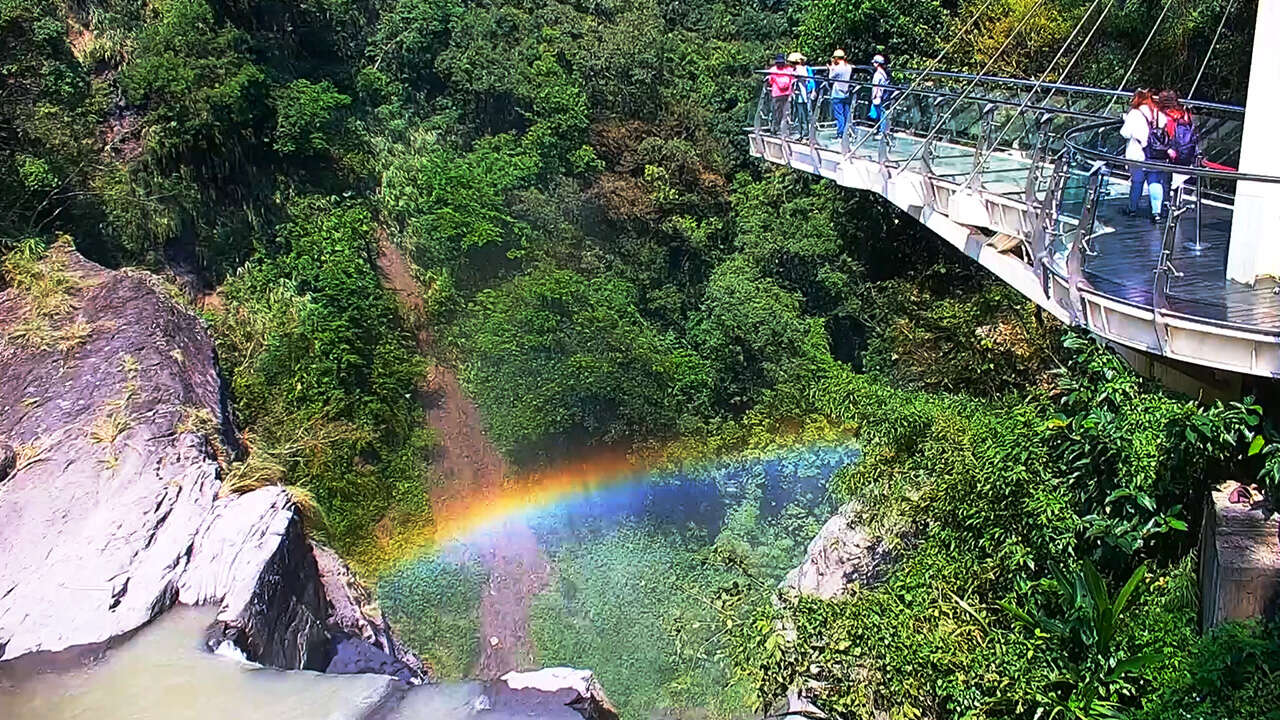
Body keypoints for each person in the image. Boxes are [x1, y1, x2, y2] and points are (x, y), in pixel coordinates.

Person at [1119, 89, 1155, 217]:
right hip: (1155, 152)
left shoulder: (1134, 113)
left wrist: (1126, 120)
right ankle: (1156, 211)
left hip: (1137, 152)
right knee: (1154, 182)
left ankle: (1132, 208)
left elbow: (1125, 133)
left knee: (1137, 181)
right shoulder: (1154, 112)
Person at [766, 53, 794, 136]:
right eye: (778, 62)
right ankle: (775, 128)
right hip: (777, 94)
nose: (780, 64)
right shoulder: (773, 70)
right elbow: (770, 81)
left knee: (787, 112)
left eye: (781, 62)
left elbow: (792, 79)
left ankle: (785, 130)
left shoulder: (788, 69)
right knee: (777, 112)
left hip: (787, 94)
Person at [828, 49, 853, 138]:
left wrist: (831, 68)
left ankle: (840, 133)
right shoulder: (849, 67)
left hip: (837, 93)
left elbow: (830, 78)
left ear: (836, 58)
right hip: (846, 93)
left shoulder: (837, 68)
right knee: (846, 114)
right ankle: (847, 132)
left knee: (839, 115)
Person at [789, 52, 814, 138]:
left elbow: (805, 78)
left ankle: (805, 134)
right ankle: (800, 133)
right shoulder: (795, 69)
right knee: (799, 116)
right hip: (797, 95)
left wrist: (796, 78)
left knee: (803, 115)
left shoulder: (800, 69)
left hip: (802, 96)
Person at [869, 54, 892, 135]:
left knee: (879, 114)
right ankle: (880, 130)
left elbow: (875, 86)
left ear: (877, 64)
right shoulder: (884, 73)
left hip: (878, 96)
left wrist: (873, 96)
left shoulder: (877, 74)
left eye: (874, 62)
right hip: (883, 96)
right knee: (881, 113)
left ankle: (880, 131)